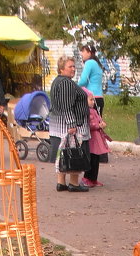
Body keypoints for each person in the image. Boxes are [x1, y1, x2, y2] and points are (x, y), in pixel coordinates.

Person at [47, 55, 90, 192]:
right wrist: (72, 124)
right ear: (61, 69)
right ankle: (74, 183)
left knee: (63, 153)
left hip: (59, 125)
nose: (73, 69)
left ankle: (61, 183)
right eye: (70, 66)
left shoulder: (58, 81)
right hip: (69, 126)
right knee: (74, 152)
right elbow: (67, 105)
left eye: (74, 66)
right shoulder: (65, 83)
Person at [82, 88, 109, 187]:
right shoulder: (86, 112)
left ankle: (93, 178)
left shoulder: (94, 110)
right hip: (91, 140)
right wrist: (98, 125)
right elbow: (89, 124)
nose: (93, 102)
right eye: (91, 100)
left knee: (96, 160)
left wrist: (101, 123)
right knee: (91, 160)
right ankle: (87, 178)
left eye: (93, 100)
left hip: (97, 140)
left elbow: (98, 119)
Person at [77, 43, 104, 115]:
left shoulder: (89, 63)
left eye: (83, 51)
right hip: (100, 98)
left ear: (89, 53)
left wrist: (75, 86)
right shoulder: (97, 64)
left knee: (90, 124)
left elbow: (83, 81)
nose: (81, 53)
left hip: (91, 98)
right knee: (98, 123)